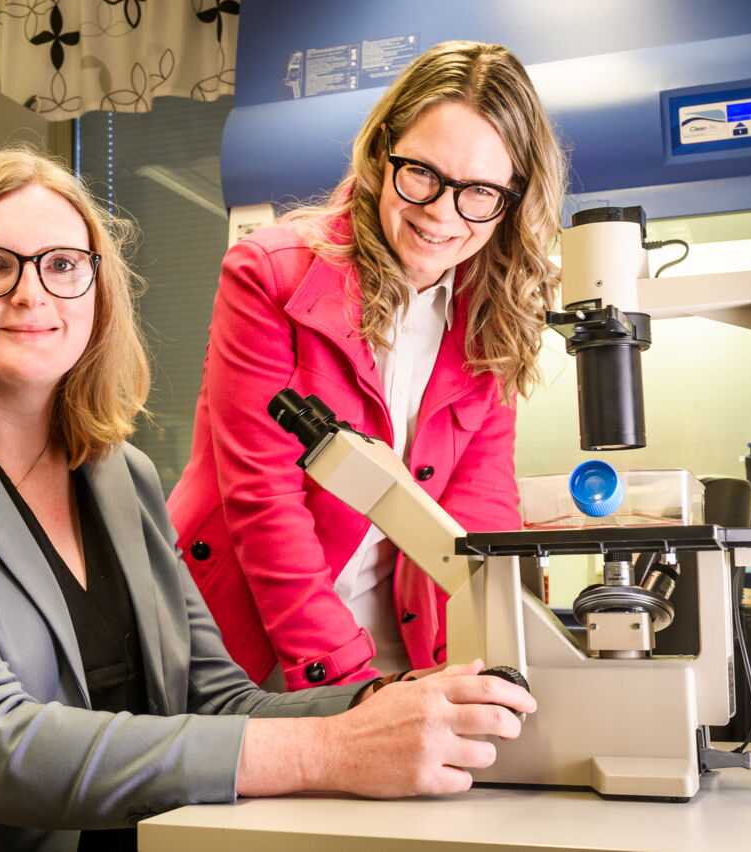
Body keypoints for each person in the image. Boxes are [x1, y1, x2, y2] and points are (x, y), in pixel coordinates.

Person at [0, 147, 536, 851]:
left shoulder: (120, 476)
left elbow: (216, 699)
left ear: (98, 290)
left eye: (63, 265)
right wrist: (334, 752)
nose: (32, 294)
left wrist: (383, 703)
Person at [167, 41, 567, 691]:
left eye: (480, 193)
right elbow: (265, 502)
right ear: (383, 150)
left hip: (393, 653)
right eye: (422, 174)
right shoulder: (269, 275)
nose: (442, 211)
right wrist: (350, 694)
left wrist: (489, 664)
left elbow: (481, 511)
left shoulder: (489, 319)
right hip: (244, 648)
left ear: (512, 198)